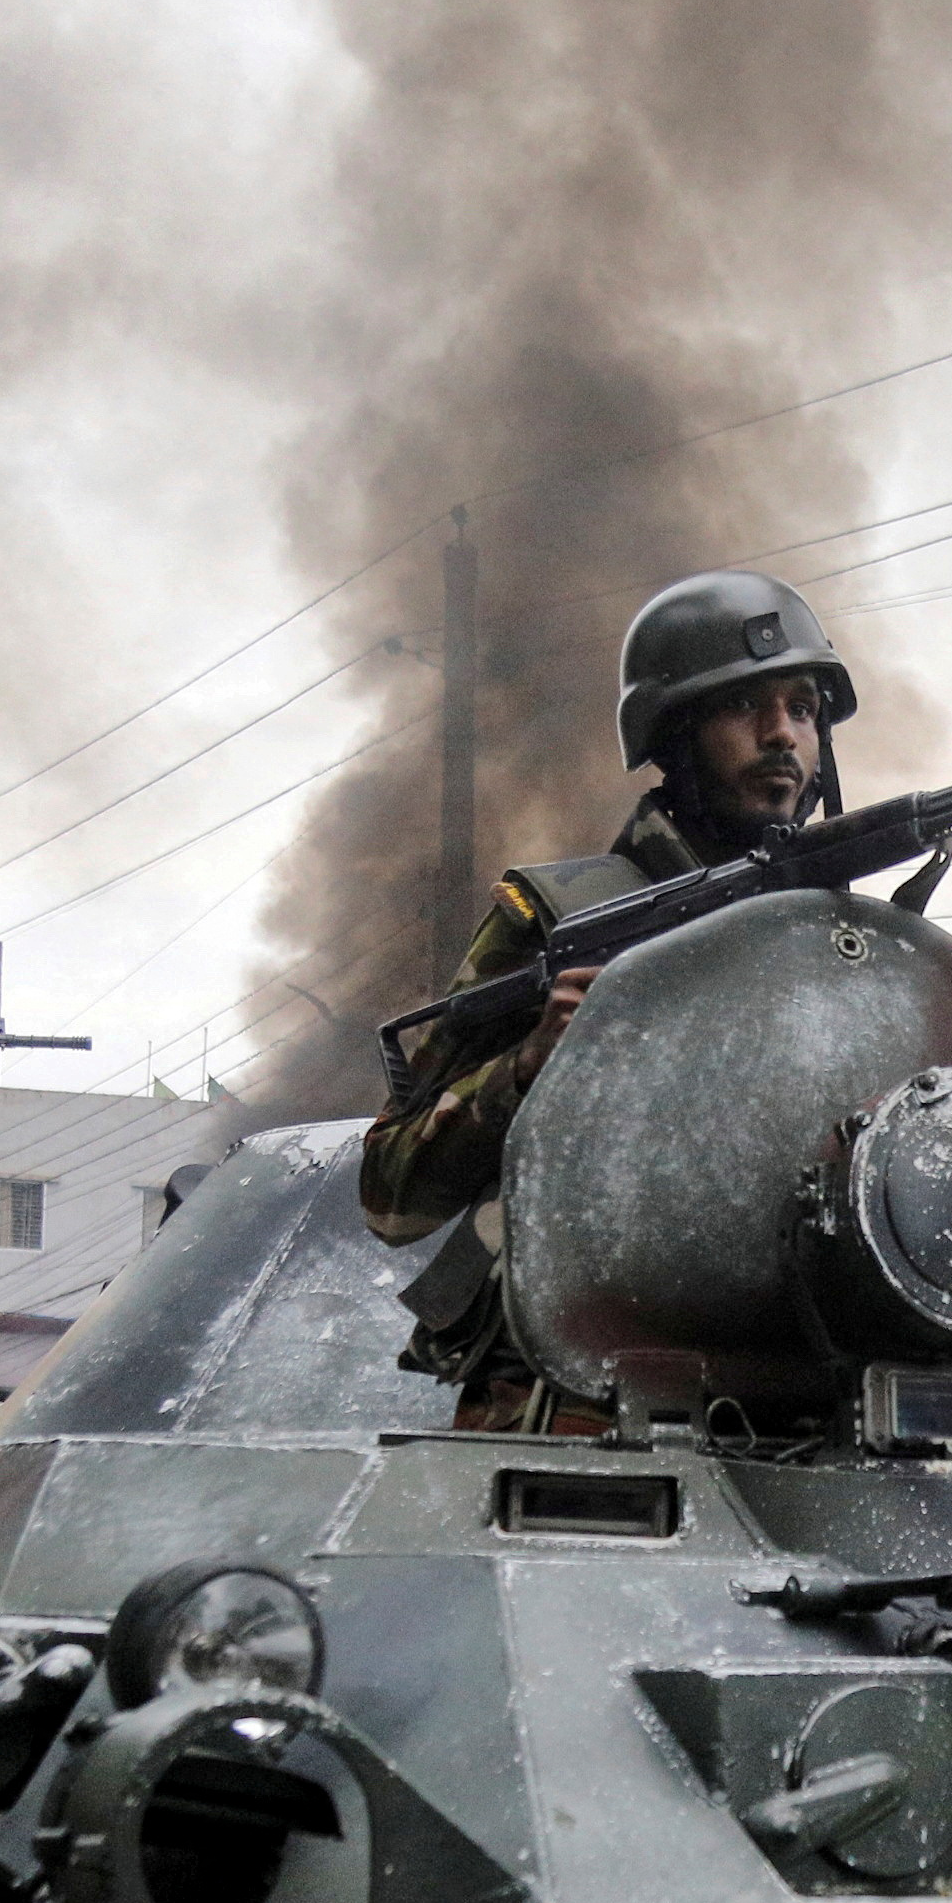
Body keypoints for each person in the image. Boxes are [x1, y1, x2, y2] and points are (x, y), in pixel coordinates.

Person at [362, 569, 855, 1427]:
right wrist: (530, 1065)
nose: (783, 736)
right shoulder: (566, 922)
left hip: (798, 1389)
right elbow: (390, 1196)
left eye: (803, 709)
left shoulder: (845, 949)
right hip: (577, 1395)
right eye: (747, 708)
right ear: (676, 735)